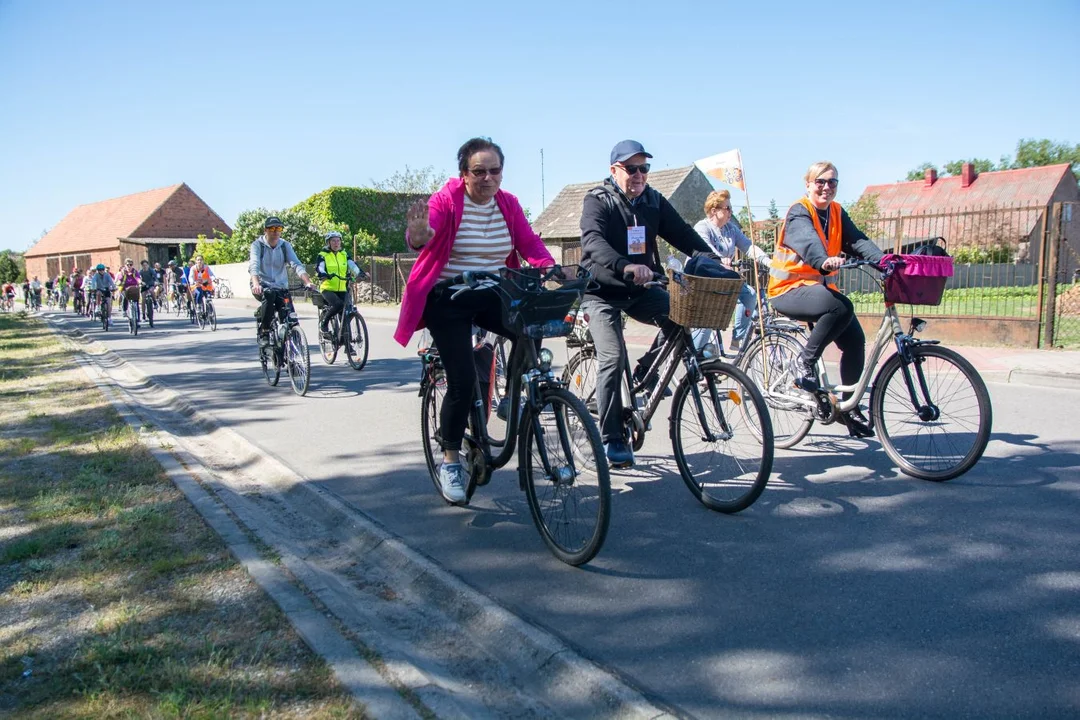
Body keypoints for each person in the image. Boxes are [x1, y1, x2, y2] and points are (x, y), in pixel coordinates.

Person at [395, 136, 556, 504]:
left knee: (531, 328)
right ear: (464, 174)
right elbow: (422, 233)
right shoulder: (446, 201)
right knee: (464, 379)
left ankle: (512, 400)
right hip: (448, 297)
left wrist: (549, 266)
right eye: (479, 171)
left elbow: (530, 244)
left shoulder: (508, 204)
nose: (488, 178)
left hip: (492, 292)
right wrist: (418, 236)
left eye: (494, 170)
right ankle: (451, 458)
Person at [578, 140, 715, 468]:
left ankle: (643, 378)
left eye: (644, 168)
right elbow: (592, 241)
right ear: (614, 171)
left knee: (681, 319)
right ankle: (613, 438)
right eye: (632, 168)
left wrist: (712, 259)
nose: (639, 175)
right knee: (612, 356)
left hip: (641, 288)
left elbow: (682, 233)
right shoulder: (598, 200)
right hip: (601, 290)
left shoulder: (653, 200)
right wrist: (624, 265)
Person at [767, 161, 884, 438]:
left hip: (818, 290)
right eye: (820, 181)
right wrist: (823, 261)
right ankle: (804, 363)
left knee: (855, 340)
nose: (826, 187)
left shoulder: (836, 212)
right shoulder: (799, 212)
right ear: (808, 184)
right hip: (788, 290)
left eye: (832, 182)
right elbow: (807, 242)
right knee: (839, 306)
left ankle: (848, 408)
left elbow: (857, 241)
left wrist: (885, 261)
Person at [690, 190, 772, 354]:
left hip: (723, 277)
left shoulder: (731, 229)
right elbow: (705, 248)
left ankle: (738, 337)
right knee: (706, 322)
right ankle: (693, 359)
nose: (731, 212)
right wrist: (720, 259)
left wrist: (768, 261)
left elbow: (748, 246)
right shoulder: (702, 227)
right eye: (727, 208)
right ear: (714, 210)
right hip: (702, 280)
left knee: (749, 294)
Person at [249, 216, 314, 347]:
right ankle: (265, 331)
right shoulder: (257, 245)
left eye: (278, 228)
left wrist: (307, 282)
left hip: (281, 286)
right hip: (262, 284)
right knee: (269, 295)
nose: (275, 231)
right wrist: (256, 284)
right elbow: (254, 265)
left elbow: (296, 264)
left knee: (291, 317)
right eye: (272, 228)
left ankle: (295, 348)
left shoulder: (285, 246)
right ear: (265, 230)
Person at [315, 231, 364, 336]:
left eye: (338, 240)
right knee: (338, 304)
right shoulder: (323, 255)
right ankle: (324, 323)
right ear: (328, 242)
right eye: (333, 241)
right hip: (328, 288)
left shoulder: (344, 254)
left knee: (346, 314)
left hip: (342, 287)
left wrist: (359, 273)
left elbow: (352, 265)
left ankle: (347, 344)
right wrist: (323, 274)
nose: (336, 243)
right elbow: (320, 267)